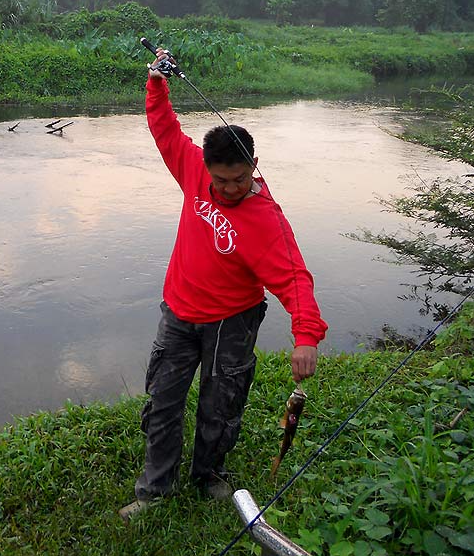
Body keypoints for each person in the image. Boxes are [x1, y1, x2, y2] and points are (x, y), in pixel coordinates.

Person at [119, 48, 328, 521]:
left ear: (254, 165)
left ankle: (207, 473)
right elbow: (164, 129)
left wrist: (306, 336)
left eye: (240, 178)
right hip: (179, 312)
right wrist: (156, 82)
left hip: (232, 322)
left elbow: (295, 278)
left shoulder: (266, 220)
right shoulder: (192, 168)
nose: (231, 188)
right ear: (207, 168)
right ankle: (155, 491)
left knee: (221, 404)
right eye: (222, 180)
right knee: (163, 401)